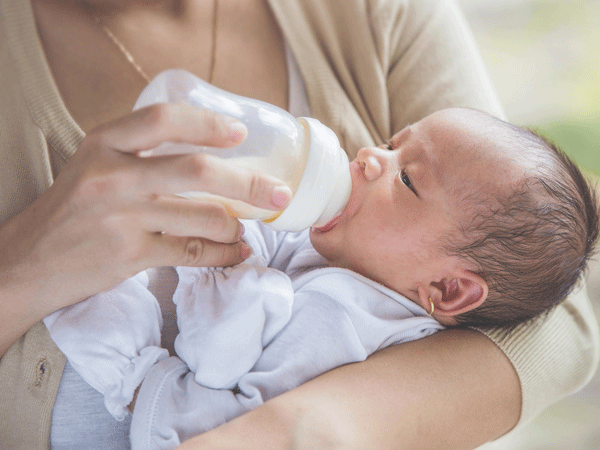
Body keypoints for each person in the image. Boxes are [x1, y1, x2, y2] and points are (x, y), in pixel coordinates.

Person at [0, 0, 598, 449]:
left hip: (175, 414)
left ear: (447, 290)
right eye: (392, 143)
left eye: (406, 178)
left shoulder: (346, 313)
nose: (368, 156)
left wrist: (301, 427)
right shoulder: (354, 253)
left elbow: (558, 324)